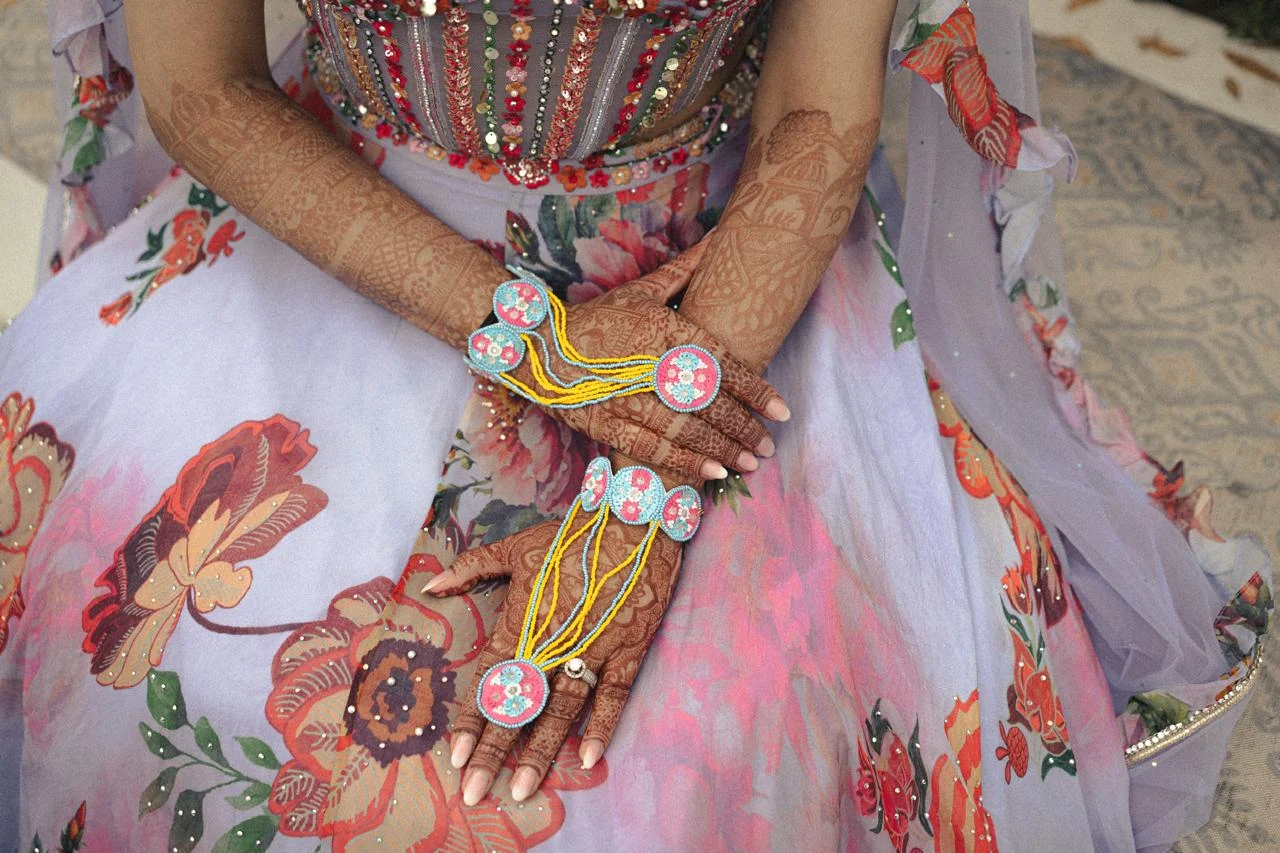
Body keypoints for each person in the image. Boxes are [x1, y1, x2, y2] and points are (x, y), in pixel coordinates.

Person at [0, 0, 1270, 848]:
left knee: (698, 748)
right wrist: (539, 343)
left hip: (720, 271)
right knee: (176, 660)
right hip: (338, 225)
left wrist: (643, 502)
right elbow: (202, 87)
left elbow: (816, 113)